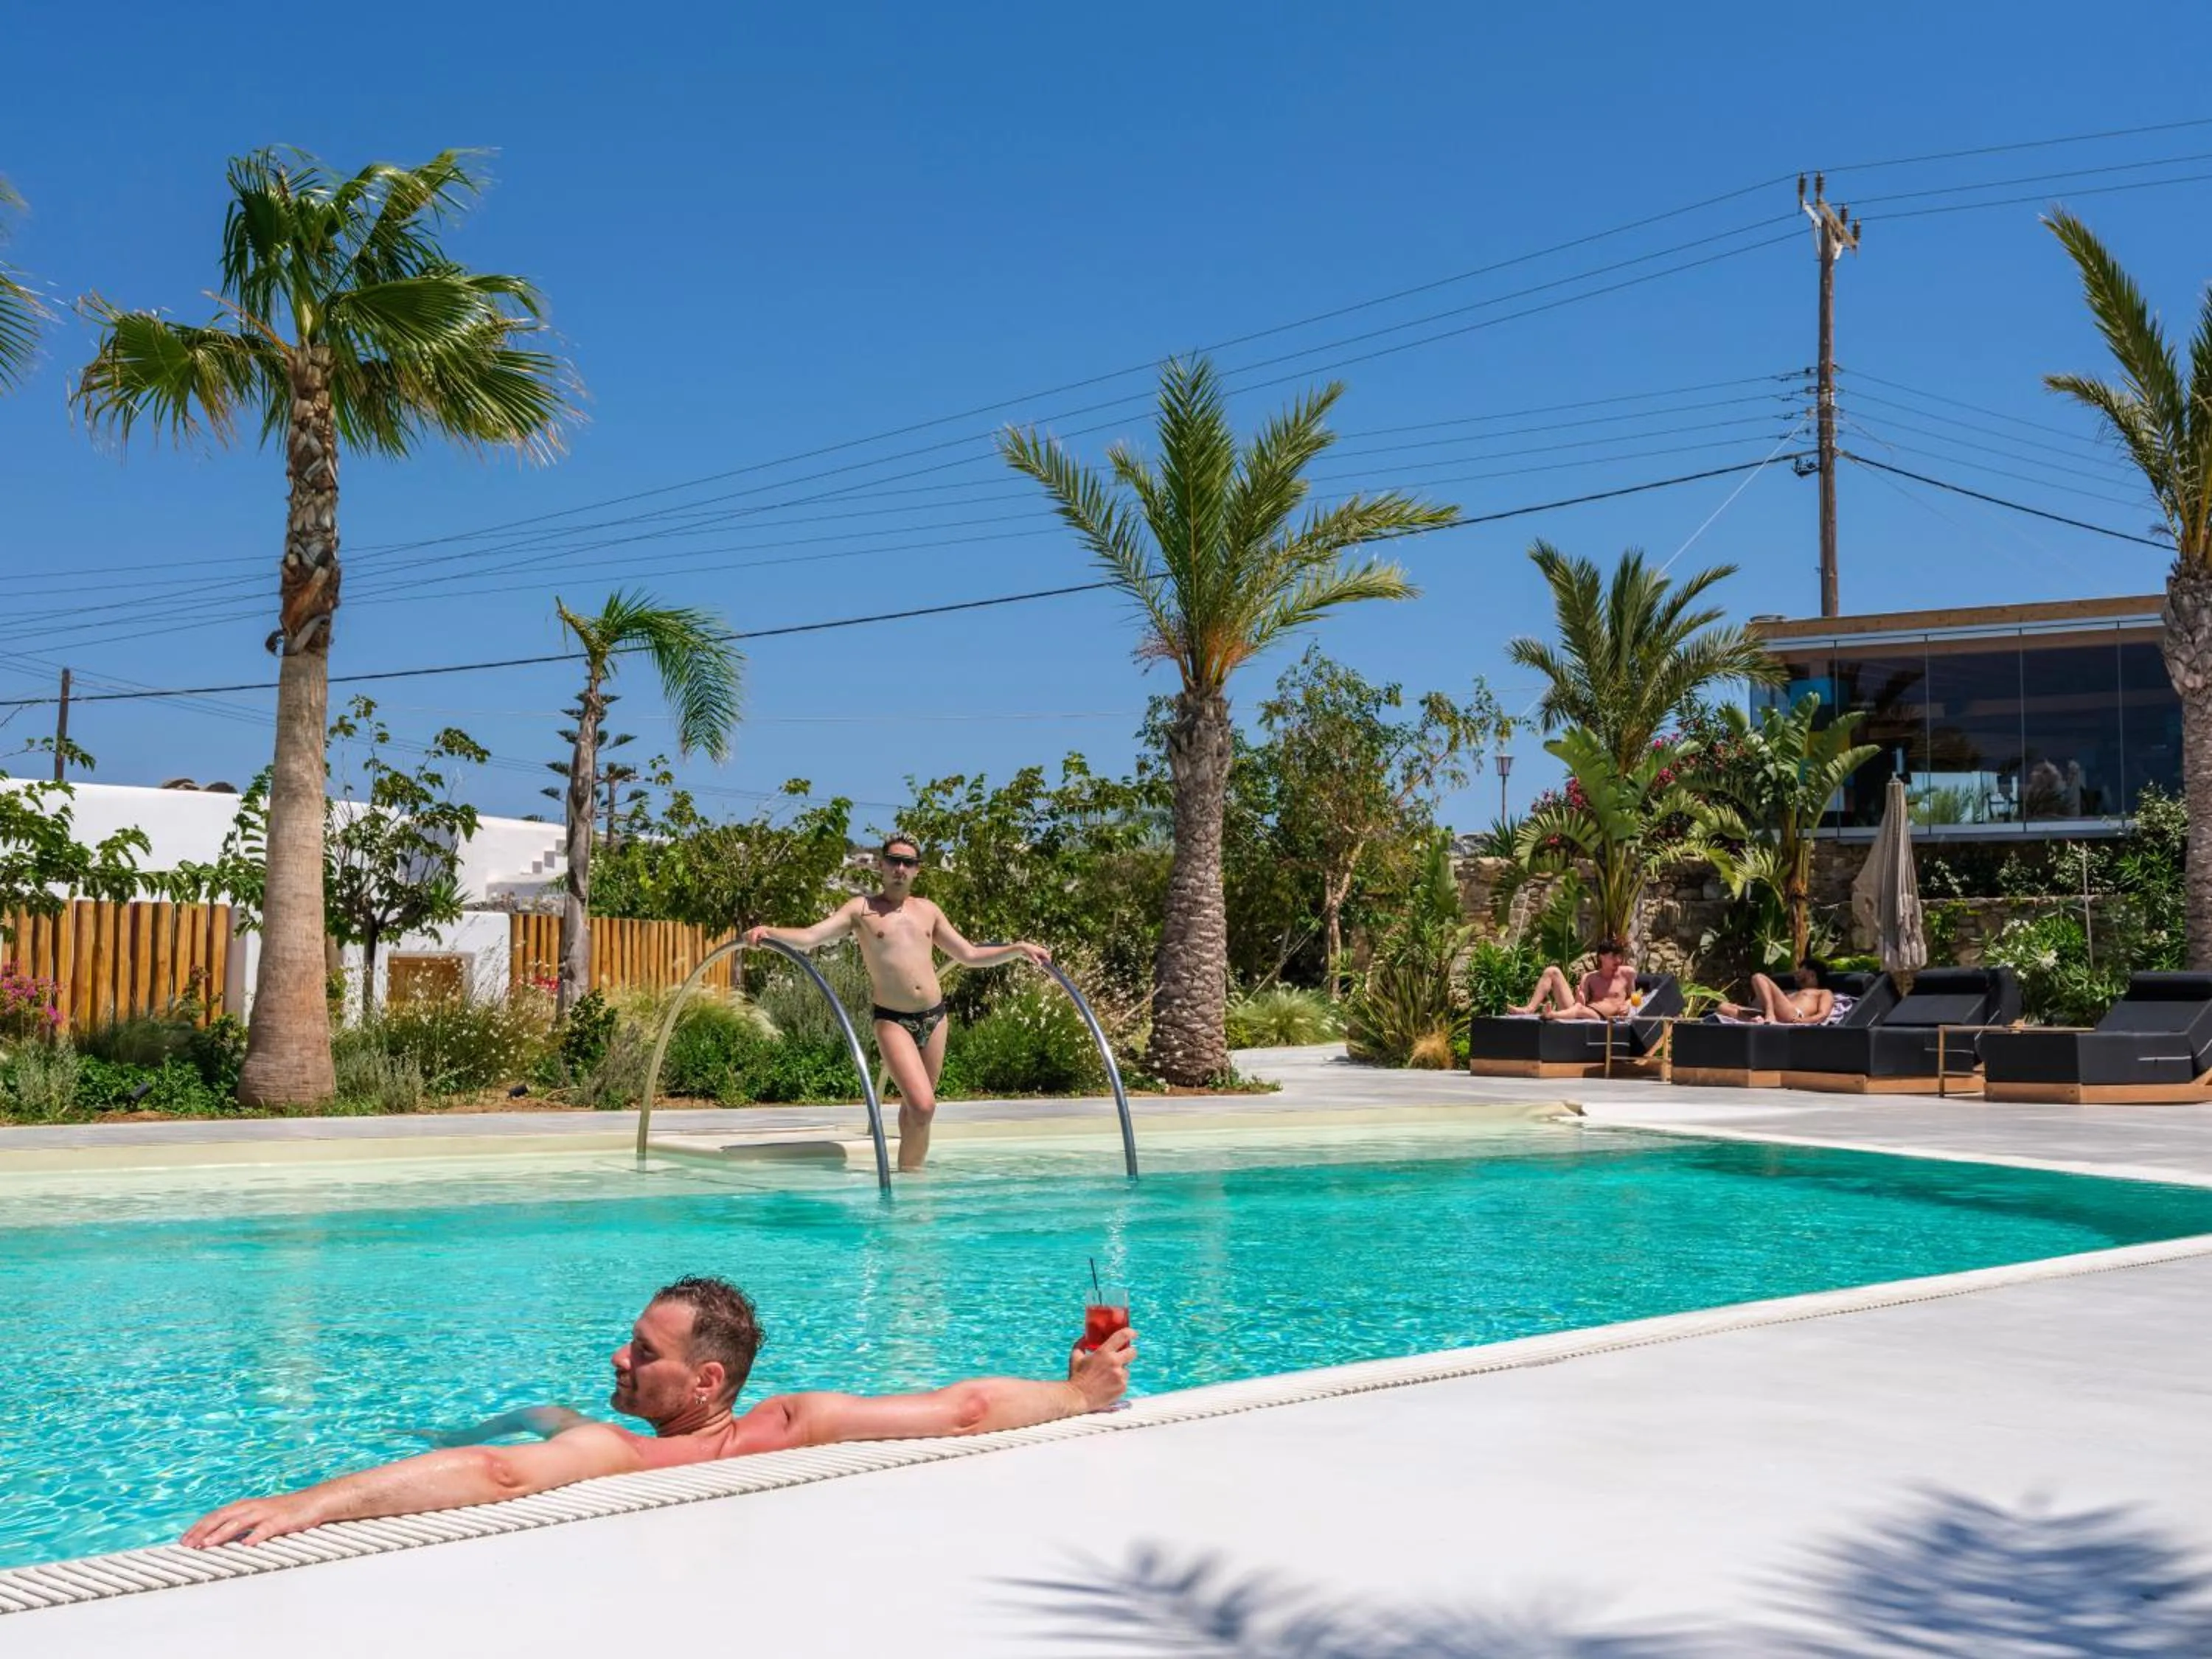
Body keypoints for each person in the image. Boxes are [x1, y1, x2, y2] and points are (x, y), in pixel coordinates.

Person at [183, 1274, 1135, 1549]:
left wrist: (314, 1499)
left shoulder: (621, 1451)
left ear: (708, 1382)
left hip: (580, 1440)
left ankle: (483, 1414)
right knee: (547, 1408)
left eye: (643, 1351)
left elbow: (500, 1474)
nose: (621, 1354)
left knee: (548, 1416)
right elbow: (965, 1408)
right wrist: (1076, 1393)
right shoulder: (797, 1422)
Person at [746, 835, 1049, 1170]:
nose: (900, 869)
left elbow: (969, 954)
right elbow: (811, 937)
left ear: (917, 870)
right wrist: (769, 932)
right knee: (922, 1106)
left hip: (935, 1018)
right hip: (893, 1020)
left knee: (917, 1112)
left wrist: (1018, 948)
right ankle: (909, 1182)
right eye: (894, 861)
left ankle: (912, 1181)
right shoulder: (861, 910)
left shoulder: (928, 911)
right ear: (881, 864)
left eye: (909, 863)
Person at [1506, 939, 1637, 1020]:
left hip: (1601, 1017)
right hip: (1584, 1010)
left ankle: (1552, 1015)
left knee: (1579, 1009)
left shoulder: (1627, 973)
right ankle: (1529, 1009)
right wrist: (1580, 998)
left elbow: (1636, 997)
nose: (1618, 961)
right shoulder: (1589, 978)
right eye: (1614, 957)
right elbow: (1581, 1003)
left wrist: (1628, 1004)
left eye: (1620, 957)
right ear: (1601, 957)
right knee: (1552, 971)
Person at [1716, 962, 1836, 1026]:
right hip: (1776, 1014)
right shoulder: (1792, 992)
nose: (1796, 973)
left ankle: (1770, 1015)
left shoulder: (1824, 992)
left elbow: (1823, 1014)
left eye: (1801, 969)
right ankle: (1754, 1021)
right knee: (1723, 1006)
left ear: (1812, 974)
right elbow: (1758, 1003)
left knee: (1758, 977)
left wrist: (1805, 1021)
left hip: (1793, 1015)